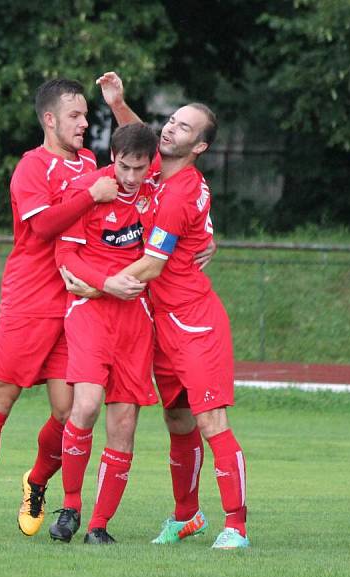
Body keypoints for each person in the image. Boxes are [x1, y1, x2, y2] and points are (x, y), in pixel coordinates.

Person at [0, 78, 128, 542]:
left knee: (68, 412)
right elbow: (41, 230)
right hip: (30, 300)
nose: (84, 123)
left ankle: (36, 480)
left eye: (85, 115)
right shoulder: (31, 168)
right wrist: (89, 196)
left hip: (75, 305)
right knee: (0, 400)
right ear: (50, 119)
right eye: (75, 116)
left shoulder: (92, 163)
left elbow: (142, 166)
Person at [89, 73, 250, 549]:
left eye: (183, 128)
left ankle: (236, 525)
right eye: (173, 121)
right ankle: (187, 516)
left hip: (194, 321)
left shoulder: (178, 193)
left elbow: (154, 265)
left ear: (198, 147)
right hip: (162, 323)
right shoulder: (163, 171)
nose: (170, 129)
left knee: (210, 423)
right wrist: (118, 104)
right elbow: (140, 144)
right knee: (178, 422)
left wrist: (97, 286)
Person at [48, 122, 160, 544]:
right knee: (88, 403)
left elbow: (166, 251)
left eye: (139, 168)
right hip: (90, 310)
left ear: (151, 164)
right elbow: (65, 254)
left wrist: (207, 240)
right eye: (123, 167)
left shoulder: (156, 193)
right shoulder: (90, 189)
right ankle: (71, 506)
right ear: (112, 156)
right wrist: (104, 282)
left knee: (125, 422)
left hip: (135, 317)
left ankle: (99, 525)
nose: (130, 178)